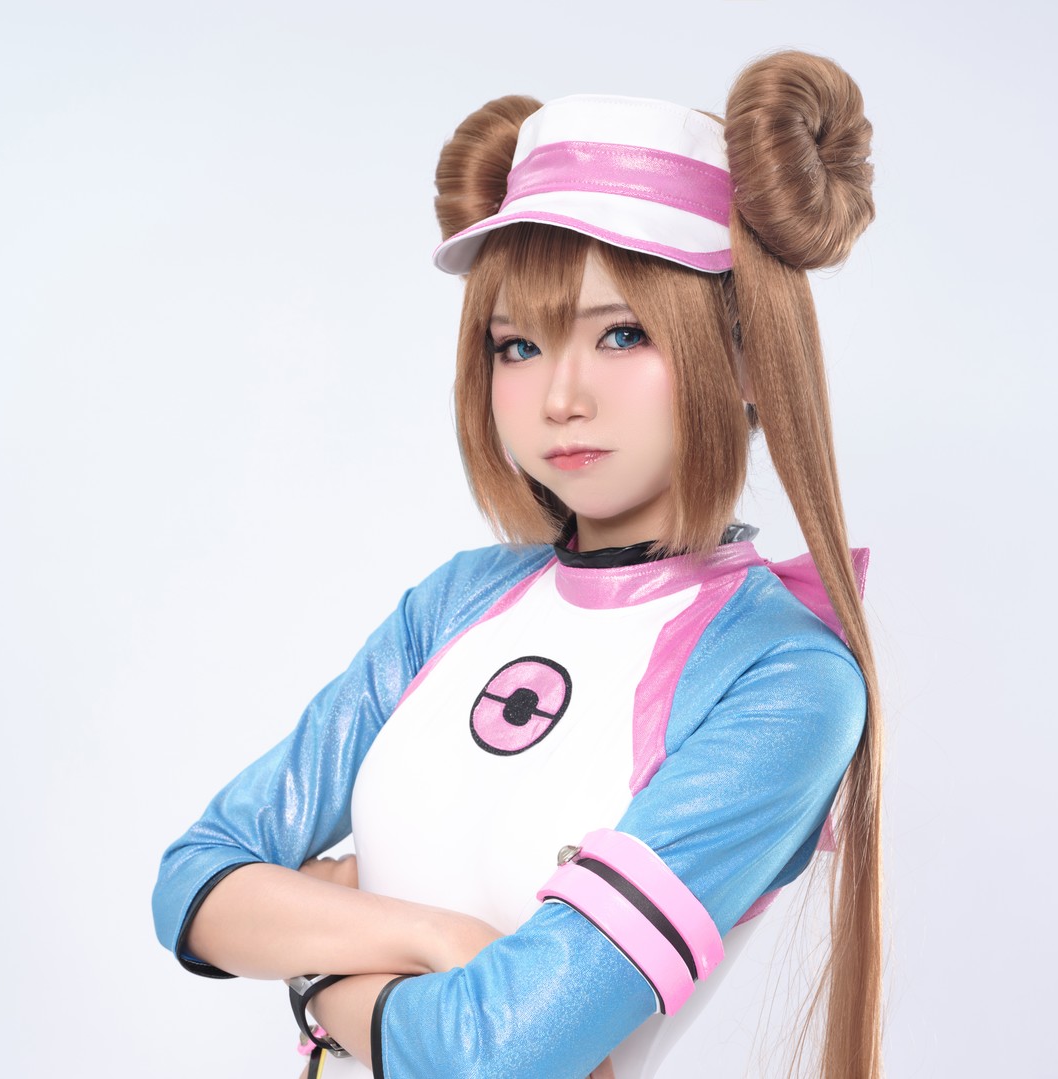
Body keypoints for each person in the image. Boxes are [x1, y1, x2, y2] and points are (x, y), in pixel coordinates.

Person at [153, 49, 884, 1079]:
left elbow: (499, 1052)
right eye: (518, 346)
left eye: (622, 334)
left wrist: (316, 974)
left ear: (747, 355)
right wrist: (442, 939)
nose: (560, 397)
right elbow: (192, 881)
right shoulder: (456, 602)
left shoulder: (782, 678)